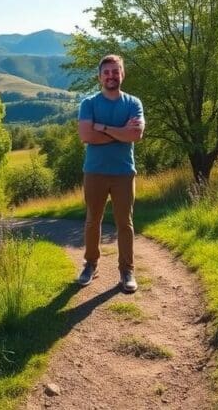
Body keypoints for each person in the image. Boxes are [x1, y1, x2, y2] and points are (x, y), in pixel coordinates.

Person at [76, 54, 144, 292]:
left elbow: (135, 135)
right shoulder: (89, 103)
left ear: (122, 74)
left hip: (124, 173)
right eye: (106, 72)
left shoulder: (133, 103)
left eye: (116, 71)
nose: (111, 76)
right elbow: (86, 136)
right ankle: (90, 264)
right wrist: (119, 132)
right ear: (99, 77)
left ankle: (127, 271)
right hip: (94, 172)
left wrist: (102, 128)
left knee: (125, 223)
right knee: (92, 221)